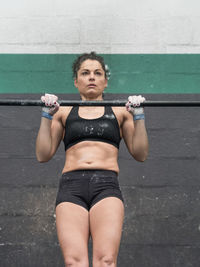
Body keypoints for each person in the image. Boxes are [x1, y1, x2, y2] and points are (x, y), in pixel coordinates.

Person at [36, 52, 149, 267]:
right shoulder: (64, 112)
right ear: (76, 81)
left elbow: (141, 154)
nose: (91, 77)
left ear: (105, 82)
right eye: (85, 73)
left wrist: (139, 116)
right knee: (73, 262)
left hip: (106, 186)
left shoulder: (119, 111)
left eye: (98, 73)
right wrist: (46, 115)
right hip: (71, 187)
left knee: (105, 261)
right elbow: (43, 155)